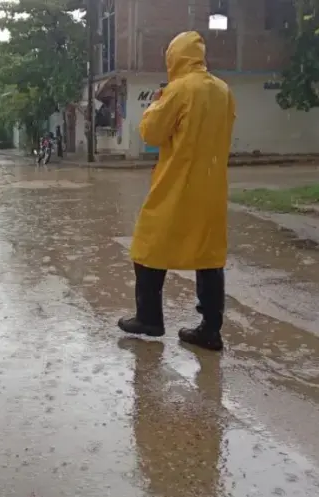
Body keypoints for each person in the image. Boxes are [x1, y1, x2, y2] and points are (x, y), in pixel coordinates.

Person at [117, 31, 236, 352]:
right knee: (209, 255)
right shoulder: (223, 90)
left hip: (177, 183)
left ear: (175, 57)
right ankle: (210, 329)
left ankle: (149, 318)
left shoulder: (179, 89)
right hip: (211, 186)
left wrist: (155, 105)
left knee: (147, 246)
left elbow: (152, 133)